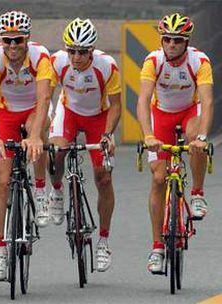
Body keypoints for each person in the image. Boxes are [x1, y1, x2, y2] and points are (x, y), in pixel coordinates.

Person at [137, 13, 214, 274]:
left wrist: (203, 138)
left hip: (189, 111)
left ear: (186, 42)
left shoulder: (199, 61)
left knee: (195, 138)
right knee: (159, 178)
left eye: (177, 40)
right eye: (167, 39)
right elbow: (143, 100)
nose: (171, 44)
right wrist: (148, 135)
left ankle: (198, 193)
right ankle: (157, 246)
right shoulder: (153, 61)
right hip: (161, 116)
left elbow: (208, 101)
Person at [0, 10, 52, 281]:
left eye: (18, 40)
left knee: (39, 134)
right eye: (7, 41)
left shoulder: (40, 56)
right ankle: (0, 250)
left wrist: (34, 136)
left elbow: (45, 98)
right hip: (6, 113)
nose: (12, 46)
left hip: (34, 108)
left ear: (27, 39)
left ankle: (42, 189)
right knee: (2, 181)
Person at [49, 18, 121, 272]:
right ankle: (56, 191)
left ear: (92, 50)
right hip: (68, 111)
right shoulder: (57, 63)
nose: (76, 57)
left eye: (82, 52)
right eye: (72, 51)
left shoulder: (107, 66)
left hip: (98, 118)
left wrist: (107, 134)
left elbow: (116, 106)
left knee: (103, 177)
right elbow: (44, 95)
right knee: (56, 151)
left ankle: (103, 240)